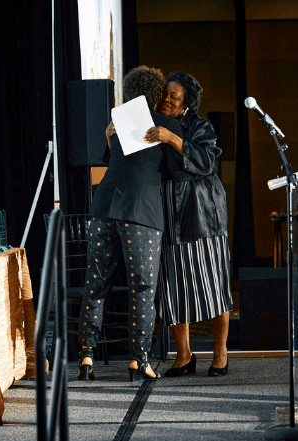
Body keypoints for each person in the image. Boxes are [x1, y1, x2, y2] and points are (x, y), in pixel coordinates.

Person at [77, 66, 185, 382]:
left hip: (103, 208)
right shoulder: (166, 125)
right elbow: (175, 170)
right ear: (158, 94)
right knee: (141, 287)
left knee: (96, 285)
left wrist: (109, 140)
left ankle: (85, 356)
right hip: (142, 214)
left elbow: (118, 162)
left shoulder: (120, 121)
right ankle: (140, 360)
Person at [143, 72, 233, 377]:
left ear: (187, 104)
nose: (167, 99)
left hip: (201, 212)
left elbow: (207, 162)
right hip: (166, 211)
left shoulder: (200, 126)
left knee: (214, 284)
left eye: (174, 96)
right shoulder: (151, 123)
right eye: (165, 94)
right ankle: (184, 355)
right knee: (172, 286)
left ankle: (220, 352)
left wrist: (172, 138)